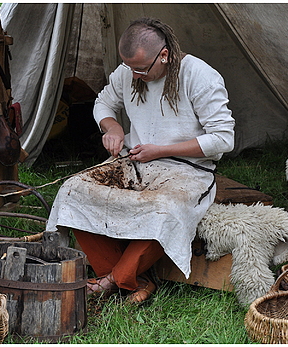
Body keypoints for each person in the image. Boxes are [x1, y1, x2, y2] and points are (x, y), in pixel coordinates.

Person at [46, 17, 235, 303]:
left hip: (187, 170)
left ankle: (112, 280)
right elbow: (104, 103)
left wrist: (161, 150)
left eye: (140, 70)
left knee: (163, 208)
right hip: (134, 163)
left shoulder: (201, 76)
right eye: (130, 68)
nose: (133, 76)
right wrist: (113, 127)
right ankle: (135, 280)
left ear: (164, 55)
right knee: (73, 190)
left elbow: (223, 139)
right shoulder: (128, 72)